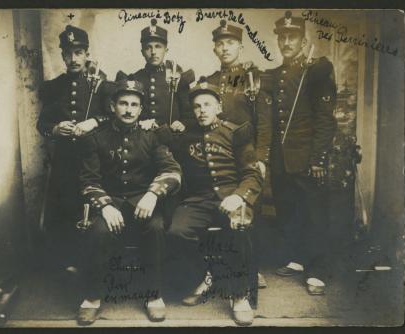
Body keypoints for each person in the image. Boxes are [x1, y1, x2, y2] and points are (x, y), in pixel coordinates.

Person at [77, 80, 182, 325]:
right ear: (112, 106)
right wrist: (105, 205)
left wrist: (153, 193)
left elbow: (172, 171)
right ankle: (92, 297)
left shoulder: (151, 136)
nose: (128, 109)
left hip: (142, 202)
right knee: (99, 231)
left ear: (141, 109)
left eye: (135, 105)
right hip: (110, 202)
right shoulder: (96, 137)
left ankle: (153, 295)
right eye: (123, 103)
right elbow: (87, 180)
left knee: (155, 228)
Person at [166, 79, 264, 326]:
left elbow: (253, 173)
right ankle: (208, 276)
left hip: (232, 197)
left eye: (207, 104)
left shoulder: (236, 132)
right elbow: (157, 138)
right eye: (197, 106)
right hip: (199, 200)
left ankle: (240, 295)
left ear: (218, 107)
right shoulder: (185, 135)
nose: (202, 110)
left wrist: (238, 196)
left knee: (239, 225)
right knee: (177, 232)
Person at [268, 11, 337, 295]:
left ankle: (318, 270)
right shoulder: (275, 75)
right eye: (282, 37)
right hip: (281, 160)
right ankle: (297, 260)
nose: (286, 42)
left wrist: (318, 158)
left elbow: (325, 119)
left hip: (307, 158)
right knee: (288, 211)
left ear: (303, 40)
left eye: (292, 37)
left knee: (315, 214)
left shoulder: (317, 72)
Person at [36, 24, 114, 270]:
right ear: (62, 56)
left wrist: (94, 121)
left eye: (78, 52)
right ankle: (71, 264)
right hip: (65, 161)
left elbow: (114, 117)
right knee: (66, 211)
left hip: (97, 160)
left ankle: (98, 263)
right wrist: (56, 129)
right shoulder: (54, 87)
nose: (73, 58)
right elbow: (42, 124)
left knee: (95, 212)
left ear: (87, 54)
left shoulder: (101, 85)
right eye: (68, 53)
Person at [207, 19, 274, 288]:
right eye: (220, 43)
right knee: (223, 209)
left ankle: (251, 269)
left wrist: (261, 157)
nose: (225, 48)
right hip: (221, 154)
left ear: (240, 46)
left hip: (246, 154)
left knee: (249, 211)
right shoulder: (210, 80)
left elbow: (265, 122)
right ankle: (223, 265)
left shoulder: (253, 79)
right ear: (214, 48)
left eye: (230, 43)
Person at [117, 18, 196, 134]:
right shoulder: (135, 78)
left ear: (166, 50)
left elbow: (189, 114)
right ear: (142, 52)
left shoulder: (177, 77)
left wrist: (182, 123)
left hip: (172, 137)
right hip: (143, 138)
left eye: (158, 46)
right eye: (148, 47)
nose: (153, 52)